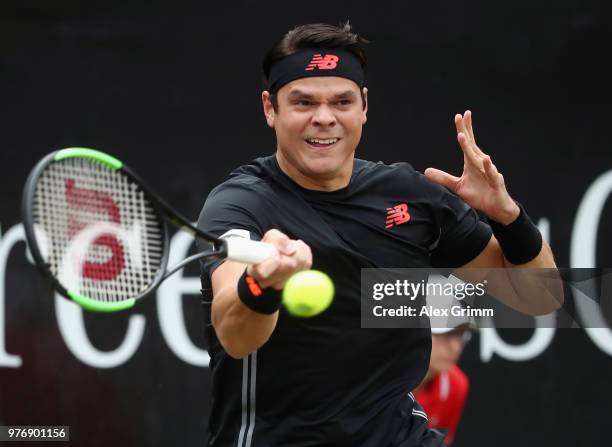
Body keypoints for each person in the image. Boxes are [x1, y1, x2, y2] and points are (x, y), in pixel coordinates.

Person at [197, 22, 558, 447]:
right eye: (303, 102)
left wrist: (509, 217)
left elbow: (539, 298)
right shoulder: (240, 205)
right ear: (269, 108)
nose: (324, 117)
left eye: (341, 101)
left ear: (363, 106)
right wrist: (264, 283)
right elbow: (235, 337)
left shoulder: (411, 196)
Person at [414, 325, 472, 446]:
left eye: (460, 335)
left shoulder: (456, 385)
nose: (455, 347)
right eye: (443, 335)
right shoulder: (379, 373)